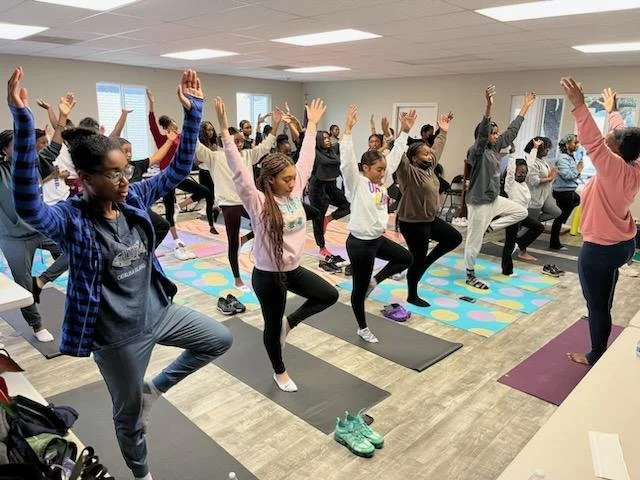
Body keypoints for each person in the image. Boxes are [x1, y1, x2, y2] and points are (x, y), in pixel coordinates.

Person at [9, 67, 233, 480]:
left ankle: (156, 388)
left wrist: (194, 112)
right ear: (86, 178)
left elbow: (177, 169)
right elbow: (28, 205)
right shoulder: (70, 220)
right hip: (116, 336)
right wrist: (23, 125)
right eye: (114, 173)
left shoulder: (134, 198)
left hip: (159, 311)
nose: (125, 179)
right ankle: (142, 473)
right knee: (129, 417)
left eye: (126, 170)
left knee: (220, 338)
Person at [217, 95, 337, 392]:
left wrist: (311, 129)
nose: (292, 182)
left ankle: (290, 323)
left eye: (293, 178)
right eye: (285, 179)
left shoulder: (294, 194)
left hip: (294, 270)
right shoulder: (257, 202)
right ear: (270, 180)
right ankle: (279, 370)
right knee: (271, 327)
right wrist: (224, 134)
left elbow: (306, 160)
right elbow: (240, 175)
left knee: (328, 295)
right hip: (269, 276)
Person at [560, 81, 640, 365]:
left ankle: (595, 354)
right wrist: (614, 111)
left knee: (595, 306)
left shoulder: (612, 167)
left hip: (601, 250)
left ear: (618, 150)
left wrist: (580, 106)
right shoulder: (634, 164)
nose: (610, 135)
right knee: (604, 293)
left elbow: (593, 140)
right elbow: (621, 135)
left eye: (614, 136)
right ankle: (603, 305)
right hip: (623, 245)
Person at [341, 105, 414, 342]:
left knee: (406, 258)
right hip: (359, 244)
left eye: (384, 169)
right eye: (378, 170)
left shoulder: (381, 181)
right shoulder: (357, 183)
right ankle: (362, 327)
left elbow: (394, 157)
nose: (383, 173)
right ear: (365, 168)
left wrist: (404, 132)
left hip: (376, 240)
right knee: (358, 291)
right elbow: (346, 163)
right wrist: (348, 131)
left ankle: (375, 280)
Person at [195, 111, 280, 290]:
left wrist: (276, 125)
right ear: (225, 142)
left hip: (248, 201)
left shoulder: (247, 155)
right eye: (236, 141)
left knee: (269, 224)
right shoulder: (215, 157)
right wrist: (191, 123)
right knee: (232, 241)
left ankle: (247, 240)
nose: (240, 144)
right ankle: (237, 278)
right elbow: (197, 148)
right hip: (230, 204)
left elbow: (264, 147)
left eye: (241, 141)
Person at [0, 123, 69, 343]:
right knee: (22, 283)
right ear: (4, 150)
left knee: (74, 249)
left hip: (41, 228)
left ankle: (39, 282)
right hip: (14, 238)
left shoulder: (33, 163)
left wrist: (61, 120)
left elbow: (52, 148)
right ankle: (36, 324)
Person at [463, 85, 533, 289]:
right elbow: (483, 135)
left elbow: (511, 132)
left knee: (520, 212)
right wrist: (488, 106)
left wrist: (524, 109)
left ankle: (490, 228)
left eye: (496, 133)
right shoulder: (475, 151)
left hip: (494, 199)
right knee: (474, 242)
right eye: (492, 133)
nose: (495, 136)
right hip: (479, 203)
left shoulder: (494, 148)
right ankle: (470, 274)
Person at [397, 112, 462, 306]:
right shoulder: (408, 172)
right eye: (425, 153)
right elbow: (400, 156)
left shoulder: (429, 168)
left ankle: (425, 262)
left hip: (429, 219)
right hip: (412, 223)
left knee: (454, 238)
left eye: (429, 153)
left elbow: (438, 148)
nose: (429, 155)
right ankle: (412, 295)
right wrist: (404, 130)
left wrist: (443, 131)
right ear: (414, 158)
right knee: (417, 259)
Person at [146, 89, 212, 259]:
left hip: (179, 175)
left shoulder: (181, 137)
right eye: (172, 125)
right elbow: (152, 124)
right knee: (168, 210)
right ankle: (177, 241)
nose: (175, 126)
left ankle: (179, 206)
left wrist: (197, 106)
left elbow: (192, 128)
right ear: (167, 127)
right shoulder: (162, 139)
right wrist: (151, 104)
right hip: (167, 177)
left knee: (203, 191)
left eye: (176, 124)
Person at [309, 130, 351, 259]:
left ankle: (329, 219)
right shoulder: (314, 152)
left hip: (331, 185)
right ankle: (322, 247)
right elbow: (300, 139)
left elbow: (344, 140)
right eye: (324, 138)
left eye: (328, 138)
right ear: (318, 141)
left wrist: (348, 126)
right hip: (318, 187)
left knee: (347, 206)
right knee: (318, 218)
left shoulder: (332, 150)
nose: (327, 140)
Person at [501, 155, 546, 275]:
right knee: (509, 245)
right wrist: (511, 155)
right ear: (514, 172)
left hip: (522, 215)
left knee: (539, 227)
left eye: (525, 172)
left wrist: (535, 149)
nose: (523, 174)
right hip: (512, 216)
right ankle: (507, 271)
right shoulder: (510, 184)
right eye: (520, 172)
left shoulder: (524, 183)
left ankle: (520, 242)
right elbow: (510, 171)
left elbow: (529, 165)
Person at [550, 133, 583, 250]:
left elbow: (572, 174)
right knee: (559, 218)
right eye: (575, 142)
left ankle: (562, 220)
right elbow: (567, 175)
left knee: (577, 199)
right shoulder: (562, 158)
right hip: (563, 192)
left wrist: (578, 170)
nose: (577, 145)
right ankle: (554, 244)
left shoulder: (570, 157)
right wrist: (578, 170)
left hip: (568, 190)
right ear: (567, 144)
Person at [523, 137, 561, 225]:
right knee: (527, 229)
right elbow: (534, 181)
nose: (548, 150)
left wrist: (551, 174)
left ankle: (527, 222)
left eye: (548, 147)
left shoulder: (542, 161)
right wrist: (550, 178)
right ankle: (525, 225)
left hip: (544, 196)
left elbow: (546, 178)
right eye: (545, 147)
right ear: (538, 148)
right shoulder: (532, 161)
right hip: (534, 198)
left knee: (556, 212)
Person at [197, 121, 221, 234]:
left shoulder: (214, 143)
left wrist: (212, 154)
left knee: (217, 199)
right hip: (204, 172)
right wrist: (209, 154)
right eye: (208, 130)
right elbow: (196, 161)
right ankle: (211, 226)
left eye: (212, 129)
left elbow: (215, 159)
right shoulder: (201, 145)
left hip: (213, 172)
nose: (211, 132)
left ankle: (214, 218)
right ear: (203, 131)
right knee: (209, 199)